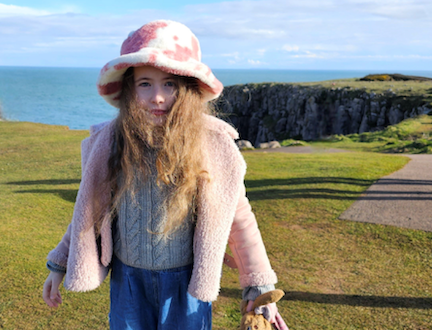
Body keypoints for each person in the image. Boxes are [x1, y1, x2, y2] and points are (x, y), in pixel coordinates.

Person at [42, 20, 286, 330]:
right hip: (128, 281)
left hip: (185, 285)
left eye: (169, 84)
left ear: (186, 88)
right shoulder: (115, 142)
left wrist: (259, 283)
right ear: (129, 88)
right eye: (145, 83)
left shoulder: (209, 145)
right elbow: (88, 211)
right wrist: (59, 264)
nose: (157, 96)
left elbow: (238, 217)